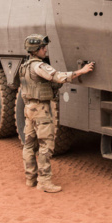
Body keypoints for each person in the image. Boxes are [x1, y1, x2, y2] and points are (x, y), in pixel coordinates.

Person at [19, 34, 94, 193]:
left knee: (29, 145)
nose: (45, 50)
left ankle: (30, 178)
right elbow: (58, 77)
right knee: (46, 146)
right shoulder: (39, 66)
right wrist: (81, 71)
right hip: (41, 111)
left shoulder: (24, 66)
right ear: (36, 50)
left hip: (29, 109)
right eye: (43, 47)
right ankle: (44, 182)